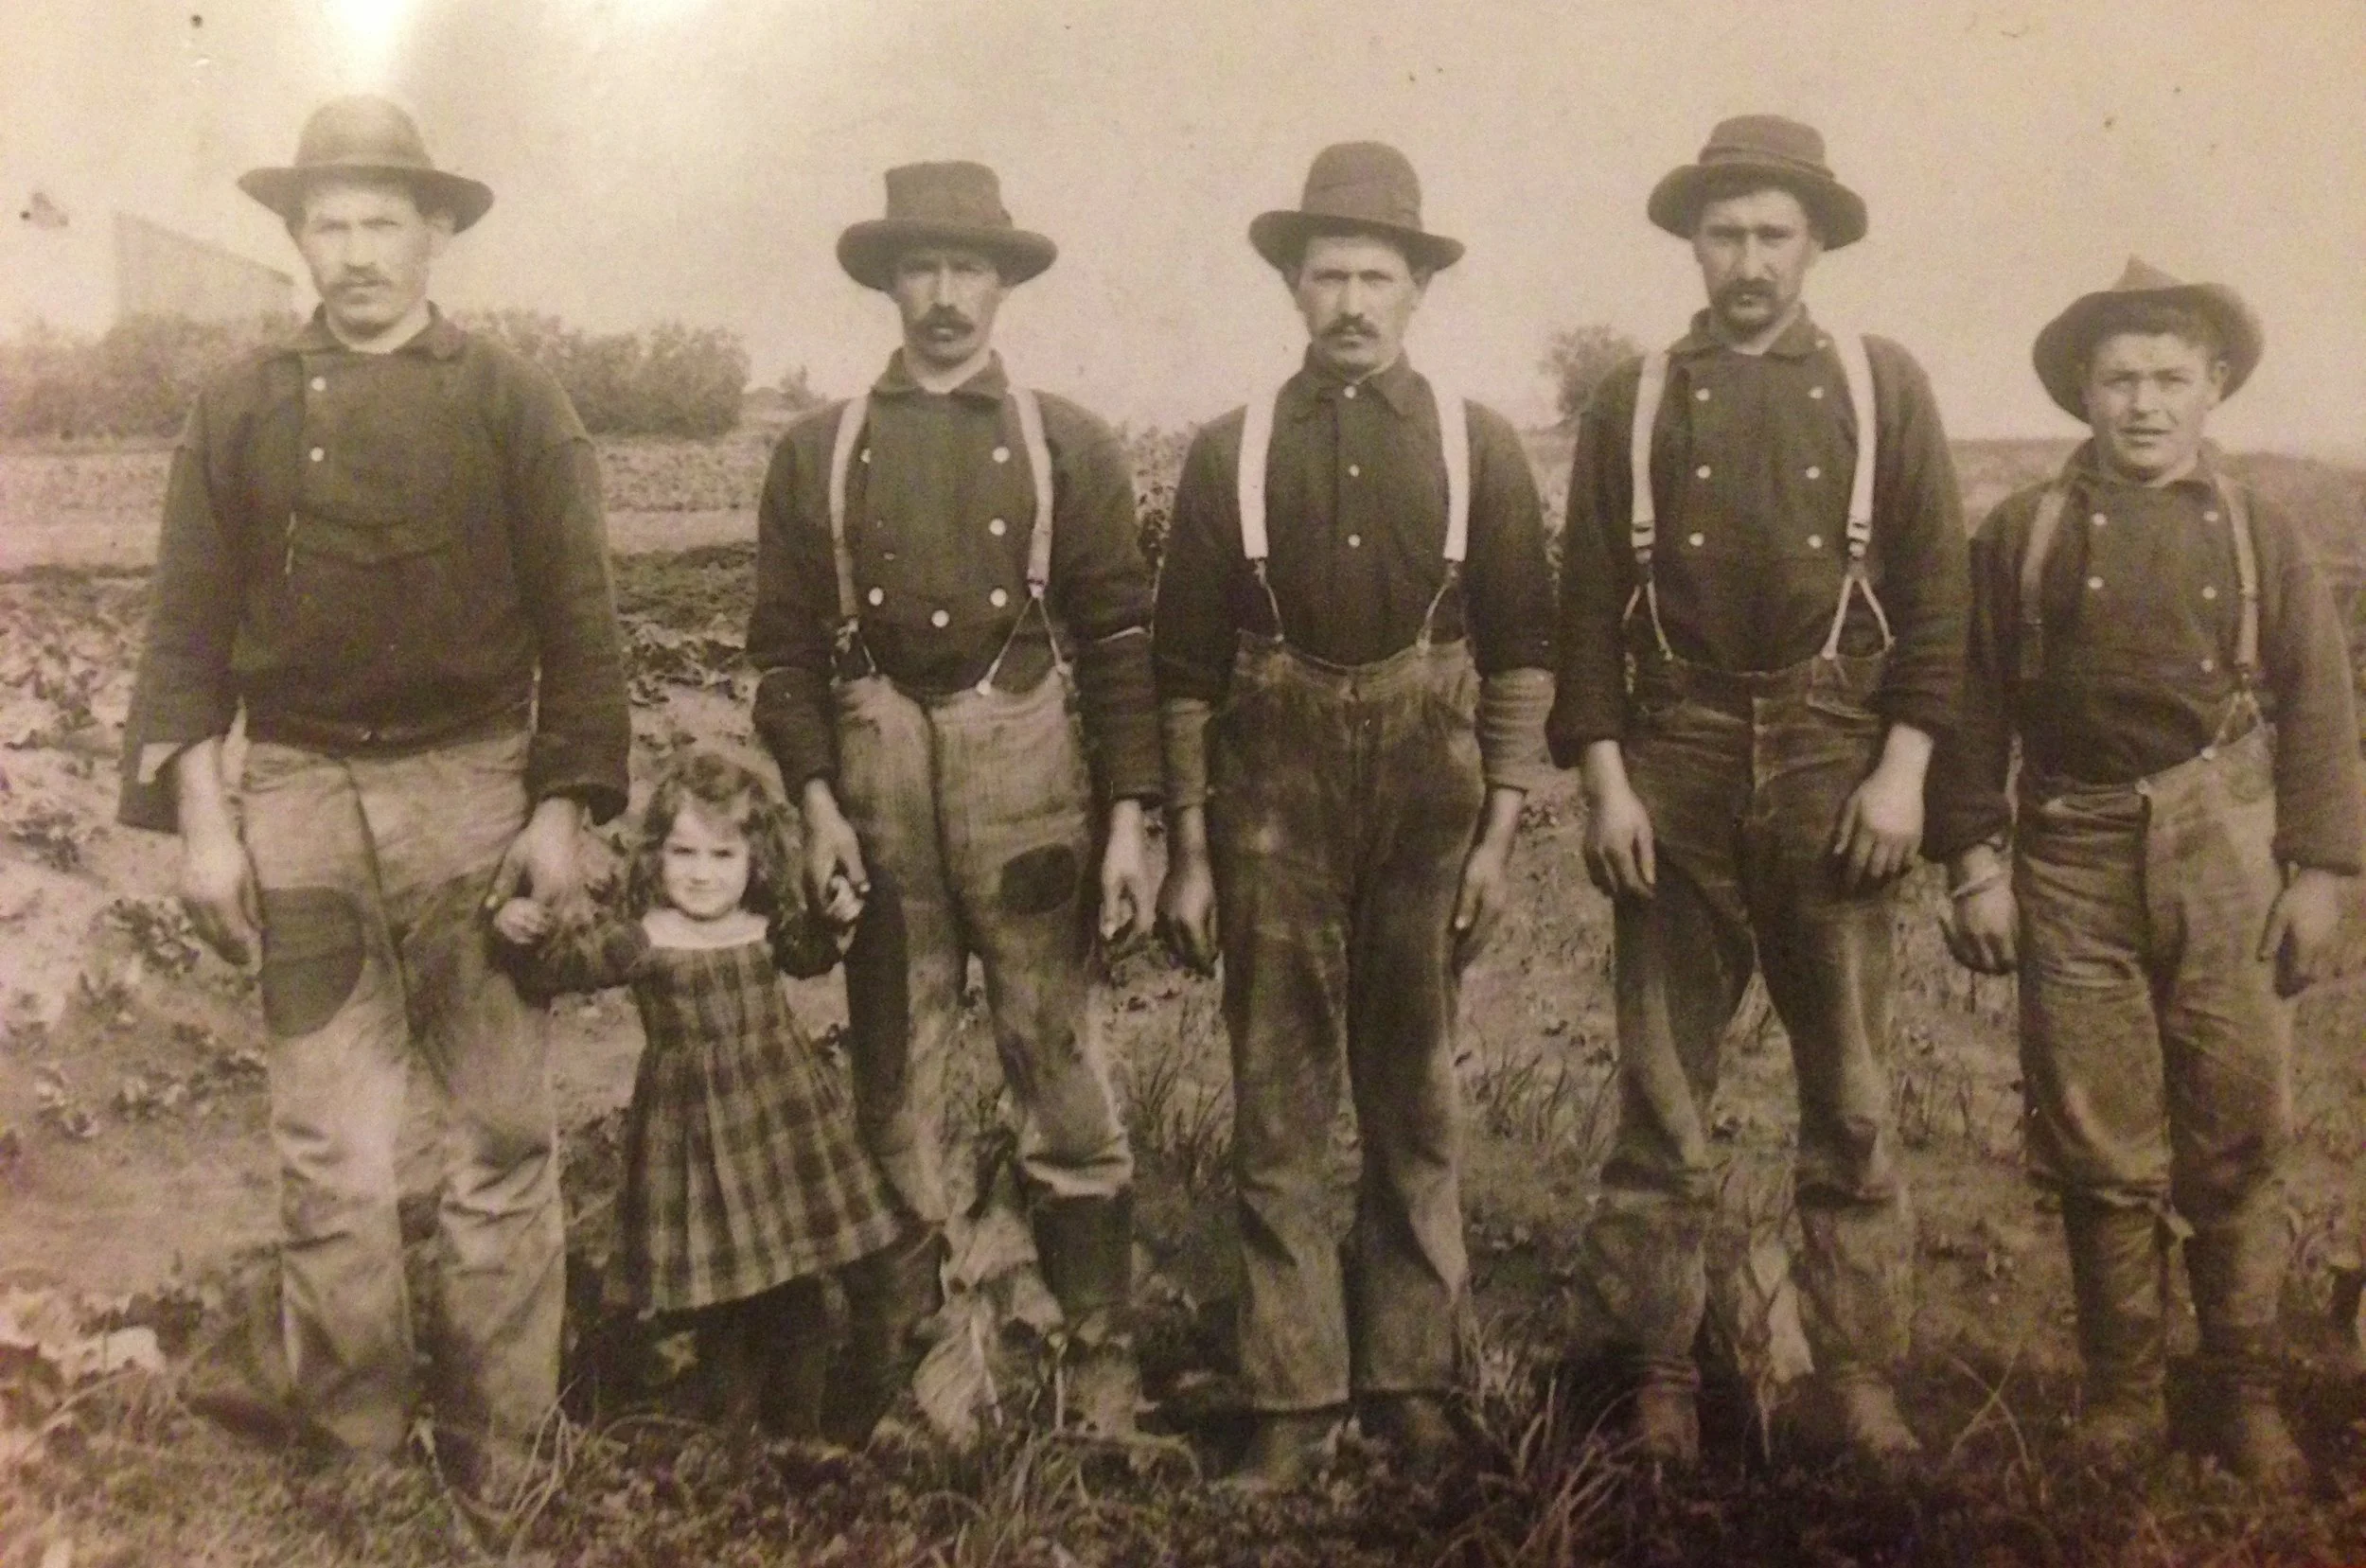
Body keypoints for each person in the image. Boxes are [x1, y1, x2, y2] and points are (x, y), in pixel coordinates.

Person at [115, 97, 629, 1492]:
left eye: (379, 222)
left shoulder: (517, 403)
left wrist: (560, 808)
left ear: (437, 230)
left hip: (473, 792)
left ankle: (500, 1448)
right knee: (329, 1150)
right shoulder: (237, 408)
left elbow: (585, 631)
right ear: (295, 238)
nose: (351, 253)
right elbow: (181, 635)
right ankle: (350, 1454)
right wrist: (207, 824)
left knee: (502, 1137)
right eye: (325, 224)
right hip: (293, 794)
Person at [1547, 115, 1967, 1471]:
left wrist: (1904, 769)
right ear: (1692, 240)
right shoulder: (1637, 395)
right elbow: (1583, 612)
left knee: (1847, 1088)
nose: (1746, 260)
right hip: (1670, 751)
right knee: (1663, 1087)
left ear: (1815, 242)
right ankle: (1661, 1372)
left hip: (1832, 753)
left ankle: (1856, 1374)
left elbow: (1938, 593)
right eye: (1723, 232)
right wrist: (1606, 781)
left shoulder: (1878, 381)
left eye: (1772, 233)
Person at [1155, 142, 1557, 1485]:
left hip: (1429, 795)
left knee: (1416, 1092)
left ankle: (1414, 1377)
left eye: (1378, 275)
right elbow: (1185, 669)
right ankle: (1290, 1393)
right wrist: (1190, 853)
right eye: (1327, 274)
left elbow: (1522, 652)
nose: (1352, 302)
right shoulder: (1231, 451)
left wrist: (1500, 834)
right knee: (1276, 1096)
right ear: (1291, 283)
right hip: (1270, 792)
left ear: (1418, 288)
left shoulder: (1476, 444)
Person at [1928, 261, 2362, 1488]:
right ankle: (2123, 1395)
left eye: (2172, 377)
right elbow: (1970, 713)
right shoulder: (2023, 532)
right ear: (2083, 390)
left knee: (2238, 1123)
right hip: (2067, 847)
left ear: (2215, 386)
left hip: (2222, 830)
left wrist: (2319, 869)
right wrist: (1974, 864)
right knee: (2098, 1135)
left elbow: (2322, 706)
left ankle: (2247, 1395)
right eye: (2119, 378)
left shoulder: (2260, 529)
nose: (2145, 403)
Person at [745, 161, 1158, 1428]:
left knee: (1058, 1051)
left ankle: (1093, 1351)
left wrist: (1133, 817)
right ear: (886, 281)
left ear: (1002, 283)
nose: (942, 297)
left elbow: (1122, 642)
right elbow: (781, 652)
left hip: (1027, 773)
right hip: (874, 778)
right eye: (918, 269)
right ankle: (922, 1360)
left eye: (965, 269)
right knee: (898, 1071)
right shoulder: (820, 451)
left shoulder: (1064, 440)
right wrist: (814, 800)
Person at [493, 751, 924, 1446]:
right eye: (683, 852)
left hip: (780, 1118)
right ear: (654, 857)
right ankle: (730, 1430)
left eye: (723, 854)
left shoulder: (759, 925)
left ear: (754, 860)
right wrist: (520, 927)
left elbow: (811, 951)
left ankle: (803, 1426)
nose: (701, 871)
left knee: (794, 1276)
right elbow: (563, 966)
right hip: (693, 1127)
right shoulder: (645, 937)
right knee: (719, 1288)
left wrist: (838, 919)